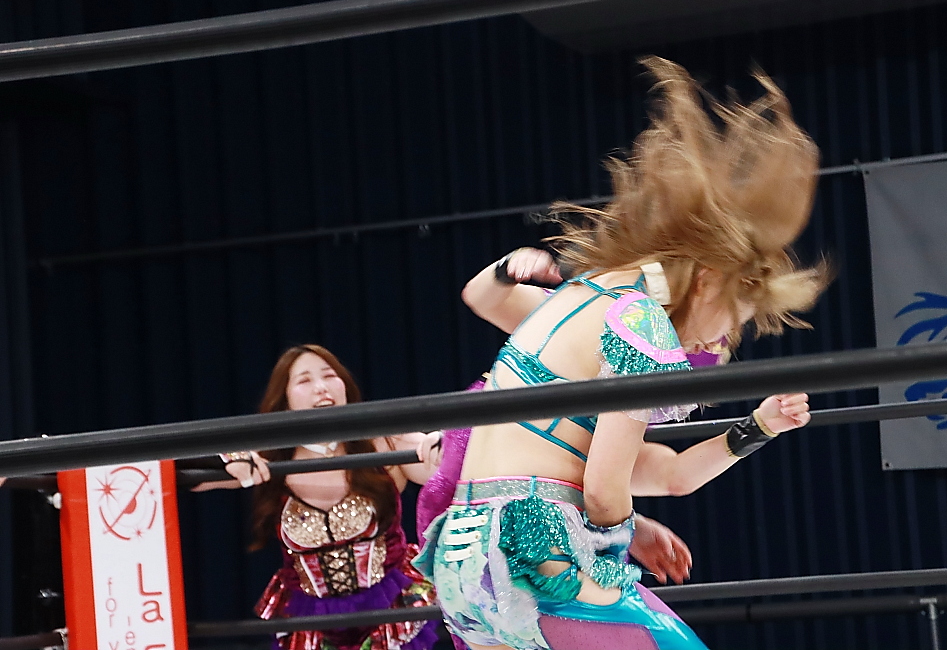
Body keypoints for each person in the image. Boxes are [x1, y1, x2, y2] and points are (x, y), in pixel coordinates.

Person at [414, 58, 828, 650]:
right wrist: (623, 541)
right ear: (708, 281)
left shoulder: (582, 296)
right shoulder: (639, 322)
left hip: (464, 566)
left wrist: (756, 428)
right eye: (730, 323)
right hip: (536, 555)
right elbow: (605, 492)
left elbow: (665, 474)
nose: (716, 343)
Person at [220, 344, 442, 650]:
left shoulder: (384, 441)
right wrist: (229, 457)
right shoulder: (268, 459)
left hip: (391, 603)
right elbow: (186, 471)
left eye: (329, 375)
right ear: (285, 400)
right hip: (310, 616)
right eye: (305, 380)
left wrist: (442, 440)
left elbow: (448, 463)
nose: (321, 388)